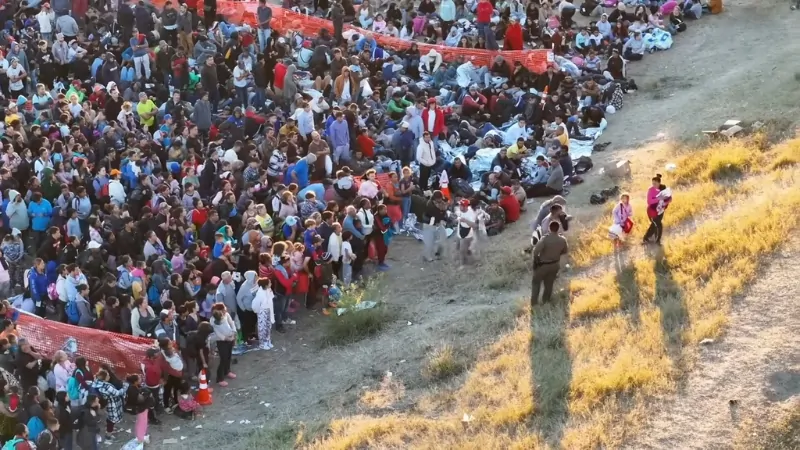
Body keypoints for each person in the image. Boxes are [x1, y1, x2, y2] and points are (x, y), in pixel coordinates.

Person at [531, 220, 569, 305]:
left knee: (536, 283)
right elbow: (565, 251)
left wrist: (536, 261)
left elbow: (536, 251)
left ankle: (534, 304)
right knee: (549, 284)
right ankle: (546, 302)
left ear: (549, 228)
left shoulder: (545, 239)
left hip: (543, 265)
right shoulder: (562, 240)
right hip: (555, 264)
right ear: (558, 229)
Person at [643, 175, 672, 245]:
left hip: (660, 211)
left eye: (655, 183)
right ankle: (655, 240)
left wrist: (664, 203)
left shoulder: (664, 189)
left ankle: (648, 238)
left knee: (654, 225)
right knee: (658, 225)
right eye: (652, 183)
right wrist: (658, 199)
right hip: (652, 211)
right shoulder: (651, 190)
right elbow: (649, 201)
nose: (654, 185)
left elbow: (670, 199)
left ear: (659, 183)